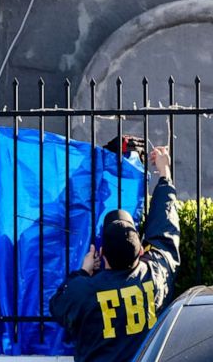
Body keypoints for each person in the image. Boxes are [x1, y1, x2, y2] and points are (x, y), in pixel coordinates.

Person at [49, 146, 180, 362]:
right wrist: (165, 175)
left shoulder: (85, 290)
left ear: (101, 253)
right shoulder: (156, 274)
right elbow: (165, 231)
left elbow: (58, 304)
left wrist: (83, 271)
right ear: (140, 251)